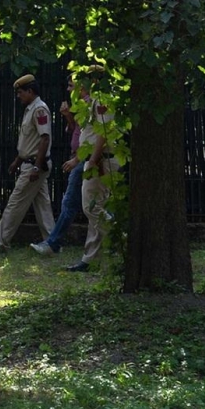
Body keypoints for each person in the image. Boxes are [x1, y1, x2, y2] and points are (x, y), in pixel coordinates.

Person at [0, 74, 55, 252]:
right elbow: (29, 142)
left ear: (30, 91)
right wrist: (18, 161)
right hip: (31, 163)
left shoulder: (39, 110)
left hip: (34, 166)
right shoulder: (32, 108)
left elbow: (44, 139)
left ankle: (0, 243)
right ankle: (54, 241)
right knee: (43, 206)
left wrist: (36, 167)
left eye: (20, 92)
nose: (18, 96)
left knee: (15, 204)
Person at [66, 74, 120, 272]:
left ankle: (120, 237)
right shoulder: (93, 102)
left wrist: (94, 161)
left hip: (101, 159)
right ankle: (90, 259)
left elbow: (103, 132)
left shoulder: (102, 99)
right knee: (97, 207)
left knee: (91, 207)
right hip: (97, 158)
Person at [30, 75, 87, 256]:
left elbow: (92, 138)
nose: (68, 89)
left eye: (71, 86)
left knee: (70, 203)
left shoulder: (90, 104)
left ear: (82, 86)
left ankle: (53, 243)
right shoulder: (79, 104)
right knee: (95, 206)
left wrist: (77, 159)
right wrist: (68, 116)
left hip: (83, 159)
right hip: (79, 157)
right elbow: (75, 131)